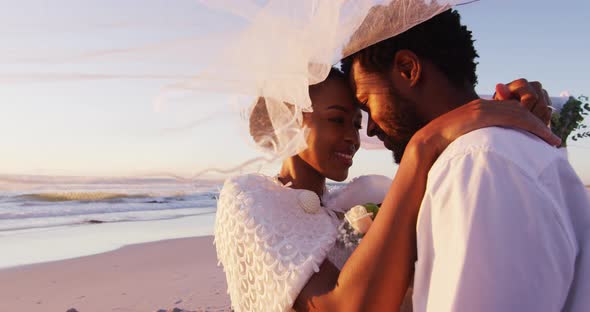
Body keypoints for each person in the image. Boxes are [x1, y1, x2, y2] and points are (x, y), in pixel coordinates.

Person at [214, 66, 559, 311]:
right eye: (336, 119)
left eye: (355, 124)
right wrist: (423, 145)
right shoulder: (249, 199)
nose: (352, 137)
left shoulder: (360, 198)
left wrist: (513, 113)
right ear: (289, 119)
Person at [342, 9, 590, 311]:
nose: (369, 127)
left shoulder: (475, 163)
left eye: (367, 101)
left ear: (408, 69)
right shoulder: (491, 152)